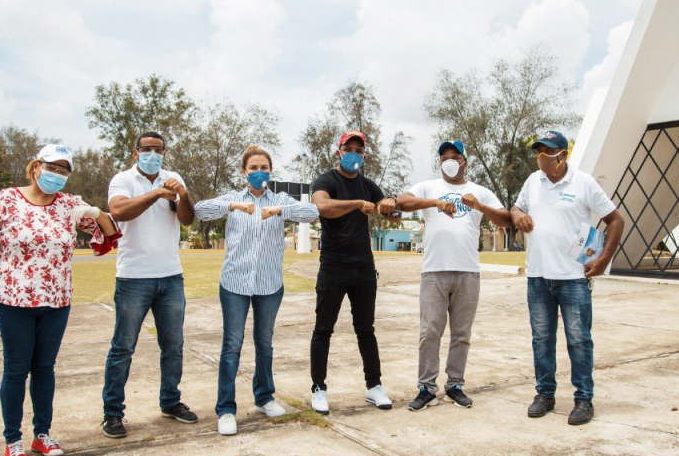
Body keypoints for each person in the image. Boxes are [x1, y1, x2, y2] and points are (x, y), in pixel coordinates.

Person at [0, 144, 119, 456]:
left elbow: (111, 233)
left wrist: (94, 212)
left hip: (57, 301)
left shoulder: (69, 204)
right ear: (35, 167)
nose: (57, 175)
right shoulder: (5, 200)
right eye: (52, 168)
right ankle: (12, 440)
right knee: (16, 370)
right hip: (15, 301)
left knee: (44, 368)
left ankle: (41, 434)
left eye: (63, 171)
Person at [195, 146, 319, 436]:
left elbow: (312, 211)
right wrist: (233, 207)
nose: (259, 172)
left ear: (270, 171)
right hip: (234, 284)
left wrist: (280, 210)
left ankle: (264, 397)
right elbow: (200, 210)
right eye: (253, 167)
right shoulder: (233, 198)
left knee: (264, 343)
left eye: (264, 167)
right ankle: (226, 409)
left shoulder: (280, 199)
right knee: (232, 345)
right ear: (244, 172)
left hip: (269, 284)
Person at [510, 131, 624, 426]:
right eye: (538, 151)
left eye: (547, 151)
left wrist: (603, 258)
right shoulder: (533, 182)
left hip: (573, 277)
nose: (541, 157)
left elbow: (615, 219)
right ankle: (545, 395)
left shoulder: (583, 182)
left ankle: (584, 399)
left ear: (563, 155)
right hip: (537, 276)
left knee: (578, 339)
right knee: (541, 339)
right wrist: (516, 214)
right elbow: (517, 207)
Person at [396, 141, 512, 411]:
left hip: (467, 271)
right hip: (434, 271)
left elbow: (505, 220)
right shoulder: (428, 186)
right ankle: (426, 387)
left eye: (455, 157)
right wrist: (436, 202)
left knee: (461, 333)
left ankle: (455, 384)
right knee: (429, 332)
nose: (449, 161)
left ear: (465, 162)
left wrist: (480, 207)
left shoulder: (479, 191)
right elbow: (402, 201)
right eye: (444, 157)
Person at [101, 131, 197, 438]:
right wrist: (155, 193)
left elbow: (187, 220)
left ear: (165, 153)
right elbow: (118, 211)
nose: (153, 154)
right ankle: (113, 413)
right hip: (133, 277)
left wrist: (183, 194)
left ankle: (170, 401)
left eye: (158, 150)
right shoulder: (123, 180)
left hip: (170, 276)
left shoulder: (172, 178)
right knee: (123, 347)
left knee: (173, 346)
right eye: (147, 149)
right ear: (135, 152)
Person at [309, 130, 399, 415]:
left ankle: (374, 386)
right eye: (350, 148)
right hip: (333, 266)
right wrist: (357, 204)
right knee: (323, 329)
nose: (354, 154)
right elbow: (323, 206)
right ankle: (318, 388)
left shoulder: (369, 185)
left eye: (360, 150)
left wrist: (391, 203)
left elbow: (391, 212)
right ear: (339, 152)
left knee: (366, 330)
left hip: (363, 267)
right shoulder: (326, 180)